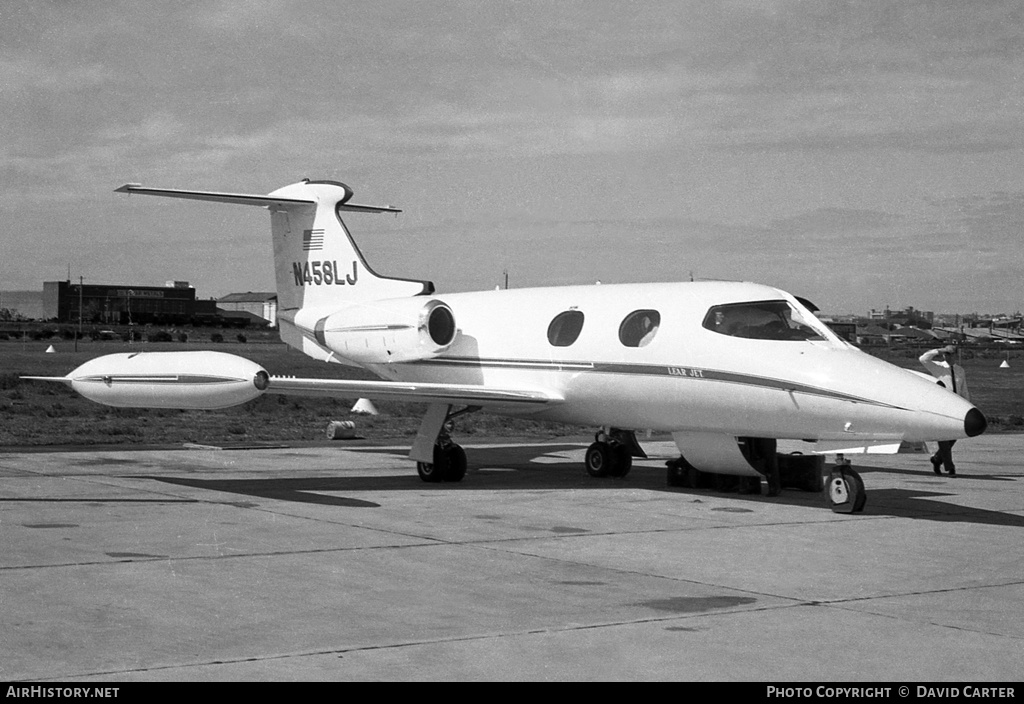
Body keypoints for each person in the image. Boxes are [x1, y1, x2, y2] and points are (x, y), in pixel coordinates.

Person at [920, 345, 970, 476]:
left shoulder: (960, 370)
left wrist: (968, 405)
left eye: (950, 354)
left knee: (954, 435)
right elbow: (923, 359)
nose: (947, 356)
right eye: (945, 354)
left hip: (957, 405)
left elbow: (963, 389)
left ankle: (937, 459)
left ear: (955, 355)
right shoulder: (938, 367)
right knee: (943, 437)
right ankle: (950, 467)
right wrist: (939, 350)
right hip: (942, 405)